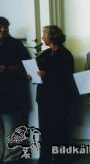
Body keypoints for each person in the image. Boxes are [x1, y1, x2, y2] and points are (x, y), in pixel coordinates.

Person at [34, 25, 76, 163]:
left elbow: (66, 76)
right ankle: (45, 159)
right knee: (45, 131)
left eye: (44, 34)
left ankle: (61, 159)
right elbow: (37, 68)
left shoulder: (65, 54)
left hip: (59, 100)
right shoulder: (45, 54)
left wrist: (47, 74)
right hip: (44, 99)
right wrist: (32, 74)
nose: (42, 37)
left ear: (52, 36)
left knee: (59, 130)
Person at [0, 17, 30, 162]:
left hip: (10, 96)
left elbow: (27, 67)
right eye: (0, 27)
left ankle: (10, 160)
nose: (3, 29)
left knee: (11, 130)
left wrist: (5, 69)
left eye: (5, 26)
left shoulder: (16, 45)